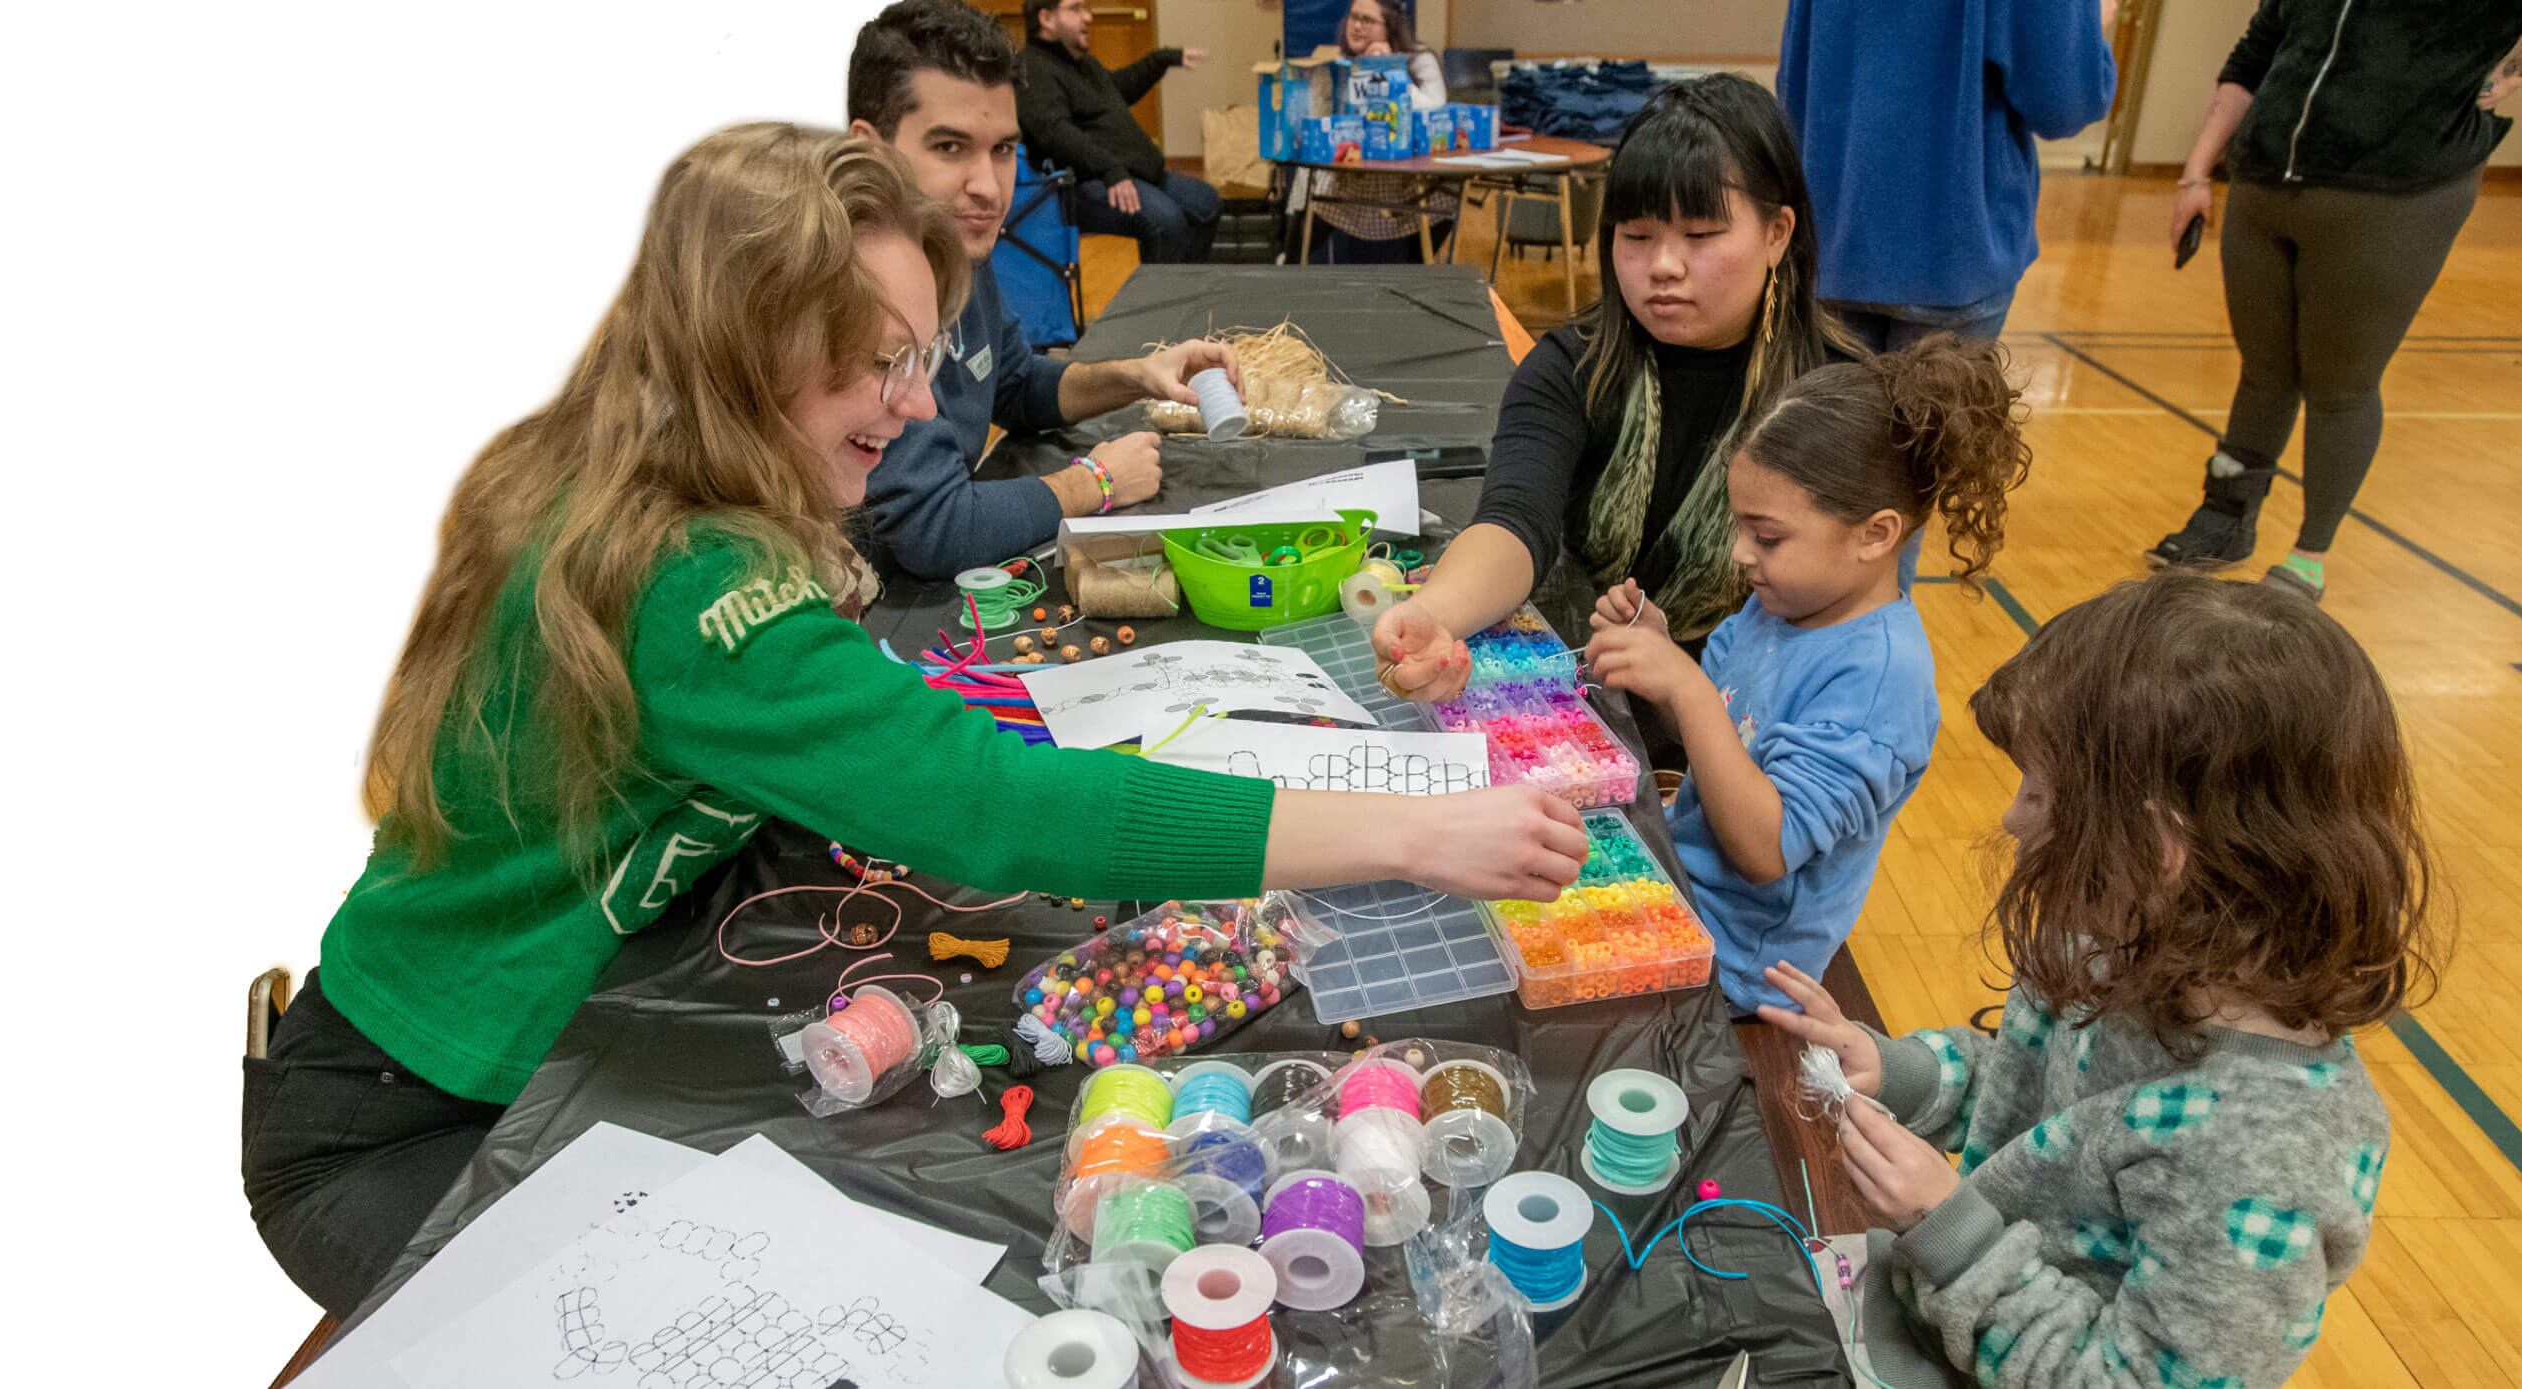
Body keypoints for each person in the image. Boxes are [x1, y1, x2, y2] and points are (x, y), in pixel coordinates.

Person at [238, 124, 1586, 1318]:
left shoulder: (641, 460)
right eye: (873, 367)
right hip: (407, 1122)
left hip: (469, 1048)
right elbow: (1006, 814)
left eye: (923, 356)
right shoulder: (688, 584)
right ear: (740, 351)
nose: (918, 406)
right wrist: (1418, 830)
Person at [1757, 571, 2441, 1388]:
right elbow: (2045, 1107)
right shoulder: (2135, 944)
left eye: (2040, 793)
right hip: (1947, 1302)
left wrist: (1950, 1230)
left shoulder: (2264, 1157)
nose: (2012, 818)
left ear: (2158, 850)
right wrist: (1901, 1070)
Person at [1368, 76, 1863, 715]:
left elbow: (1848, 629)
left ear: (1777, 234)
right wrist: (1435, 614)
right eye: (1636, 236)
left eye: (1701, 235)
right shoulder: (1575, 368)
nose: (1663, 265)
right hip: (1592, 688)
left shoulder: (1838, 401)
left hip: (1760, 727)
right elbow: (1516, 521)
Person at [1583, 336, 2030, 1015]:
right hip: (1682, 889)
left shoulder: (1879, 684)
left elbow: (1767, 849)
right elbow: (1726, 735)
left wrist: (1688, 686)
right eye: (1740, 527)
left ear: (1875, 535)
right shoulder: (1785, 604)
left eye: (1767, 537)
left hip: (1733, 969)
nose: (1740, 553)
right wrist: (1661, 649)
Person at [846, 0, 1241, 578]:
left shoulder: (954, 246)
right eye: (949, 147)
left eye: (1003, 149)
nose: (987, 187)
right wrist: (1095, 483)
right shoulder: (859, 294)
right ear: (869, 148)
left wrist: (1139, 376)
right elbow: (935, 530)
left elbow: (1011, 383)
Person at [2148, 5, 2522, 602]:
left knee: (2341, 386)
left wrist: (2510, 73)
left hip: (2396, 199)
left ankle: (2308, 558)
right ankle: (2224, 519)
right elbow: (2256, 52)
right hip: (2264, 184)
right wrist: (2197, 171)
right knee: (2264, 371)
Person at [1779, 0, 2115, 353]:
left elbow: (1793, 75)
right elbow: (2062, 100)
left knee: (1831, 407)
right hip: (1952, 244)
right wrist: (2091, 26)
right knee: (1934, 408)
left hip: (1829, 233)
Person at [1019, 0, 1220, 264]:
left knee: (1207, 203)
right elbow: (1054, 131)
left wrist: (1160, 60)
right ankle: (1163, 303)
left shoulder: (1079, 63)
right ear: (1046, 18)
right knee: (1167, 222)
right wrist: (1110, 169)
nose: (1087, 17)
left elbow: (1115, 90)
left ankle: (1187, 290)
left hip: (1131, 173)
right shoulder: (1032, 68)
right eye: (1076, 9)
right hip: (1085, 184)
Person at [1308, 0, 1453, 265]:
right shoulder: (1339, 61)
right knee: (1308, 182)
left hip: (1407, 175)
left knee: (1441, 198)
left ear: (1390, 27)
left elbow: (1435, 115)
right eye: (1353, 17)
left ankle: (1415, 267)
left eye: (1367, 20)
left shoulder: (1420, 58)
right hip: (1349, 172)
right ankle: (1294, 257)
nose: (1357, 26)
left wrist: (1390, 70)